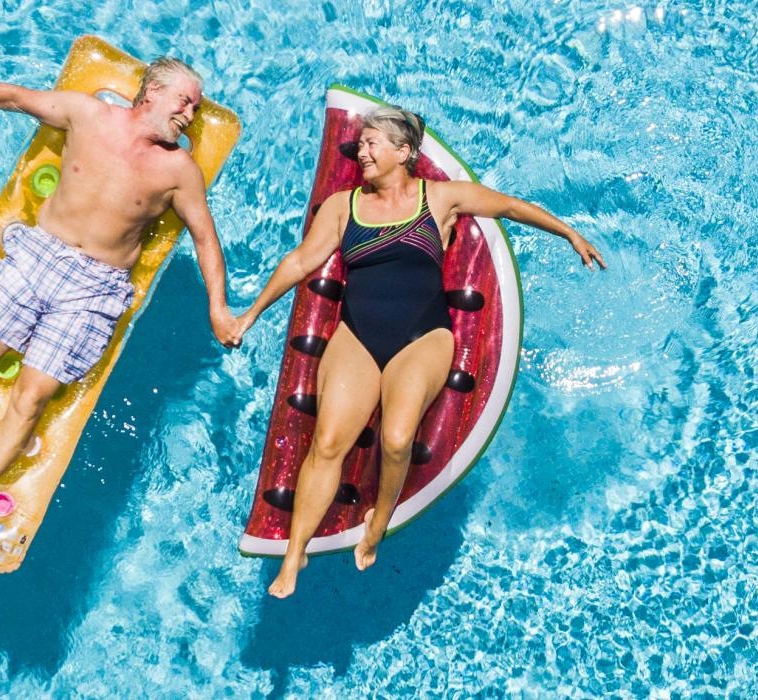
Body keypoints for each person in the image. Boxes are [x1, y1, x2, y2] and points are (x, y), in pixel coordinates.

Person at [0, 57, 240, 549]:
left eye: (196, 108)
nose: (190, 114)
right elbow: (15, 97)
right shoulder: (88, 114)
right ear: (152, 92)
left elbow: (205, 238)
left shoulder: (179, 170)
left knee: (31, 397)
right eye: (184, 101)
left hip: (94, 288)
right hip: (39, 255)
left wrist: (217, 308)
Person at [234, 106, 606, 597]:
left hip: (423, 336)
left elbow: (510, 207)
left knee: (396, 438)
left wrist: (569, 233)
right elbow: (302, 261)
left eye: (372, 144)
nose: (362, 152)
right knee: (327, 442)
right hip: (357, 335)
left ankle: (378, 521)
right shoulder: (344, 206)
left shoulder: (440, 198)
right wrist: (250, 314)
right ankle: (294, 553)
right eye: (360, 144)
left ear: (404, 152)